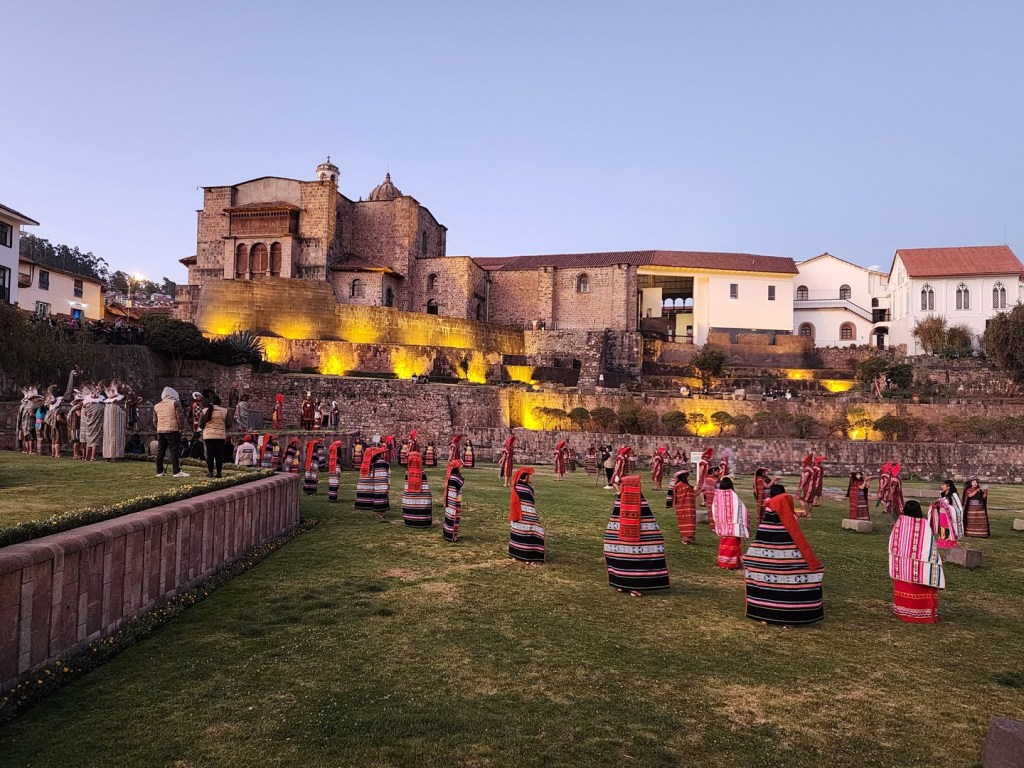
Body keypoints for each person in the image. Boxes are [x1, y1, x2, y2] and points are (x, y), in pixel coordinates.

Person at [744, 483, 825, 626]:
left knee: (766, 586)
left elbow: (758, 542)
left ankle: (764, 614)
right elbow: (799, 543)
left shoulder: (766, 521)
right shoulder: (790, 522)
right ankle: (789, 617)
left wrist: (750, 559)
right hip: (788, 565)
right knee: (790, 584)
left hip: (768, 566)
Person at [602, 475, 670, 596]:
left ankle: (621, 583)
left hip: (621, 540)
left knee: (621, 554)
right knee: (637, 556)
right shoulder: (641, 504)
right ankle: (634, 586)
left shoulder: (620, 503)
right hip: (638, 541)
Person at [889, 499, 945, 623]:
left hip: (902, 566)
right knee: (921, 584)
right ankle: (922, 612)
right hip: (920, 565)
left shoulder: (899, 523)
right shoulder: (924, 525)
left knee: (905, 585)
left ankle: (903, 610)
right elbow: (929, 544)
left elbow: (894, 543)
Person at [711, 477, 749, 570]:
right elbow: (741, 508)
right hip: (733, 526)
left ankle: (723, 562)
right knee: (733, 545)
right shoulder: (733, 495)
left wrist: (718, 521)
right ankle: (731, 564)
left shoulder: (717, 495)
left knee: (724, 544)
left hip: (722, 525)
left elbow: (714, 508)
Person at [509, 467, 545, 563]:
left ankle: (516, 553)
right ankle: (530, 554)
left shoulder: (515, 487)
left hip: (516, 516)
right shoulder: (528, 489)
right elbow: (532, 501)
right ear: (526, 477)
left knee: (517, 530)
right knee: (538, 530)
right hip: (526, 515)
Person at [154, 387, 190, 477]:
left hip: (160, 430)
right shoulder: (175, 403)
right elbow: (179, 417)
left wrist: (159, 427)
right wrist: (181, 428)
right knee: (174, 451)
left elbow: (154, 420)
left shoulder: (157, 405)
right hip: (172, 430)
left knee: (160, 451)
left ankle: (159, 471)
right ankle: (176, 471)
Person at [200, 394, 230, 478]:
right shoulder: (225, 411)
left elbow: (201, 424)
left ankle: (210, 472)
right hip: (220, 435)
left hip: (208, 435)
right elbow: (229, 423)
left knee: (210, 454)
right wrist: (223, 428)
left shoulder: (205, 411)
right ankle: (219, 473)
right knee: (218, 454)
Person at [401, 450, 433, 528]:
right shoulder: (422, 472)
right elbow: (425, 486)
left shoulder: (407, 472)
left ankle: (410, 520)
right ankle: (421, 520)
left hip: (409, 496)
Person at [928, 480, 963, 549]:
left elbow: (958, 507)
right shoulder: (943, 494)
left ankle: (949, 541)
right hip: (942, 514)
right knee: (943, 527)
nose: (942, 486)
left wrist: (947, 506)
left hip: (949, 516)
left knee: (948, 527)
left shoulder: (954, 495)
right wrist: (936, 504)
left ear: (948, 487)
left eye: (943, 485)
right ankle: (943, 539)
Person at [667, 467, 697, 544]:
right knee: (686, 521)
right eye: (687, 476)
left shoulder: (680, 485)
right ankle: (686, 538)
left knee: (687, 522)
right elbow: (692, 493)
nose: (688, 478)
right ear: (683, 477)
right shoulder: (682, 486)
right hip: (685, 507)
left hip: (684, 507)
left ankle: (688, 538)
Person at [442, 459, 464, 542]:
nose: (461, 467)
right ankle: (453, 535)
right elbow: (460, 483)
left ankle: (448, 534)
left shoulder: (450, 477)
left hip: (450, 502)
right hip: (455, 502)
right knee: (454, 518)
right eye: (460, 466)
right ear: (456, 467)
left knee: (449, 517)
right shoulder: (455, 478)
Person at [371, 445, 391, 519]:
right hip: (383, 483)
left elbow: (371, 474)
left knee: (377, 497)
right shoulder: (386, 464)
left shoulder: (373, 464)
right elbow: (389, 474)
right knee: (383, 498)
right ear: (381, 454)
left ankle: (379, 513)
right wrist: (389, 484)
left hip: (376, 483)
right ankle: (381, 513)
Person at [796, 454, 814, 518]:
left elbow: (805, 477)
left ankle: (806, 513)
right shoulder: (811, 469)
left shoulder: (807, 469)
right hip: (811, 486)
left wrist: (801, 486)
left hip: (808, 487)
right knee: (810, 501)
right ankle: (809, 513)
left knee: (806, 500)